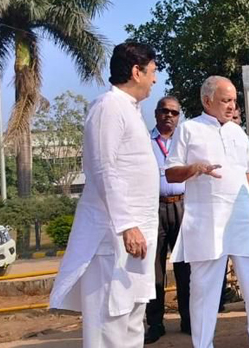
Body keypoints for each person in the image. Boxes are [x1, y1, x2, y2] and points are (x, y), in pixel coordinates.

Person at [49, 42, 160, 347]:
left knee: (133, 319)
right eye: (152, 71)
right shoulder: (108, 107)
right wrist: (127, 225)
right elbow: (103, 169)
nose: (154, 79)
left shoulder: (131, 110)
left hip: (138, 237)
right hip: (113, 237)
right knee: (109, 323)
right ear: (136, 72)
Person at [164, 76, 249, 348]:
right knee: (204, 291)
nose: (231, 105)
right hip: (207, 222)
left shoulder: (237, 132)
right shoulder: (189, 129)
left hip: (242, 217)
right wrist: (194, 169)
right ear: (207, 100)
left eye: (233, 100)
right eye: (225, 100)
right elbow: (171, 172)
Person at [144, 96, 191, 344]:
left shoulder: (183, 142)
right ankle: (155, 323)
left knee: (185, 266)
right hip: (154, 208)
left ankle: (188, 319)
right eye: (165, 111)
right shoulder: (145, 141)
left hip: (182, 206)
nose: (169, 116)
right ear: (156, 113)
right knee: (155, 269)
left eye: (174, 112)